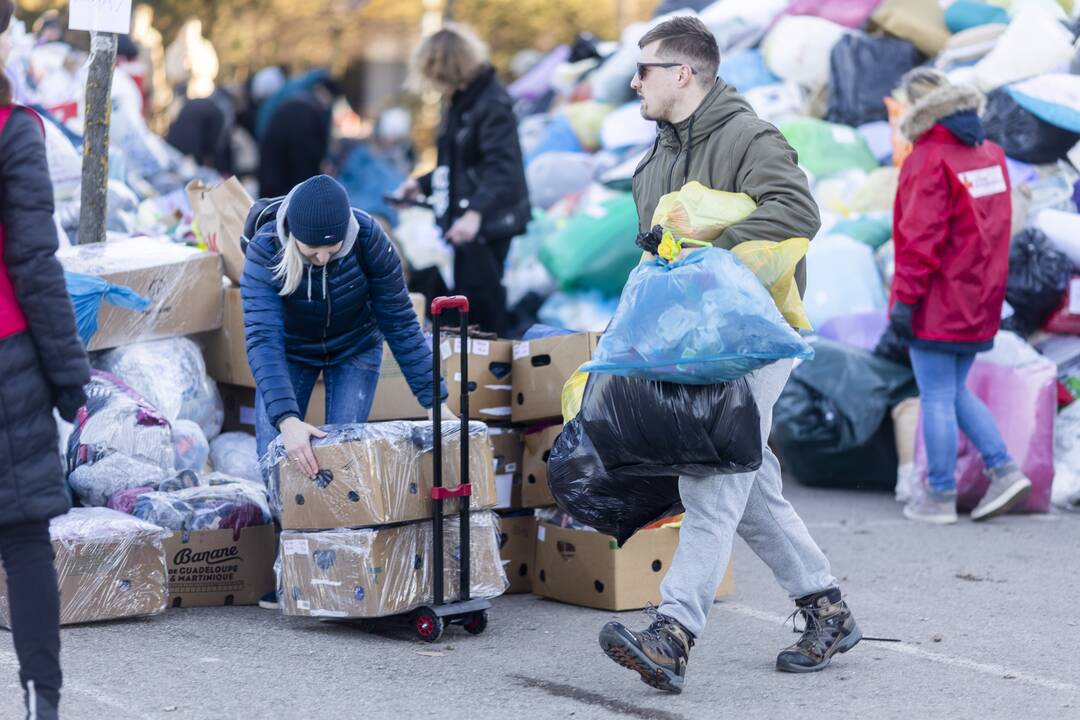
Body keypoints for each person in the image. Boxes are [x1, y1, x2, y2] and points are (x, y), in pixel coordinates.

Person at [597, 17, 859, 694]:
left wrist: (712, 247)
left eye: (645, 69)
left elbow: (797, 209)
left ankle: (672, 635)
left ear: (682, 73)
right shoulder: (650, 164)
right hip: (693, 346)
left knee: (712, 479)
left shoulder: (748, 134)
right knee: (751, 487)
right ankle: (826, 608)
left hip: (757, 335)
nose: (635, 82)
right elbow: (657, 265)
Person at [240, 175, 452, 608]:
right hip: (291, 352)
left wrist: (438, 404)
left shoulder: (370, 239)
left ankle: (337, 573)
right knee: (274, 454)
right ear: (292, 235)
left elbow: (401, 323)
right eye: (310, 248)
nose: (321, 257)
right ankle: (293, 571)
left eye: (331, 249)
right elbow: (263, 338)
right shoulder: (265, 249)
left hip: (355, 346)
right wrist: (287, 420)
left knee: (340, 460)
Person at [0, 2, 92, 716]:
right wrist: (70, 378)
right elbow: (35, 263)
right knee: (24, 537)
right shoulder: (14, 130)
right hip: (7, 358)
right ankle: (42, 701)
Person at [887, 69, 1029, 524]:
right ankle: (1004, 469)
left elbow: (919, 240)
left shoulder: (927, 158)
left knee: (936, 394)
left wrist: (905, 301)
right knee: (952, 390)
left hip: (936, 298)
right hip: (980, 296)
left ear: (919, 109)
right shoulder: (990, 154)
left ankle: (940, 495)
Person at [395, 23, 530, 336]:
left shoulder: (490, 103)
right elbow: (461, 164)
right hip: (472, 219)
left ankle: (489, 372)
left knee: (481, 303)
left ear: (445, 69)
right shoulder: (462, 101)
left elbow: (503, 168)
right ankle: (477, 368)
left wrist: (474, 214)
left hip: (487, 222)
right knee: (470, 299)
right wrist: (422, 184)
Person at [257, 74, 341, 198]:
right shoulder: (312, 112)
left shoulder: (291, 101)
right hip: (290, 190)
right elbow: (308, 162)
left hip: (270, 183)